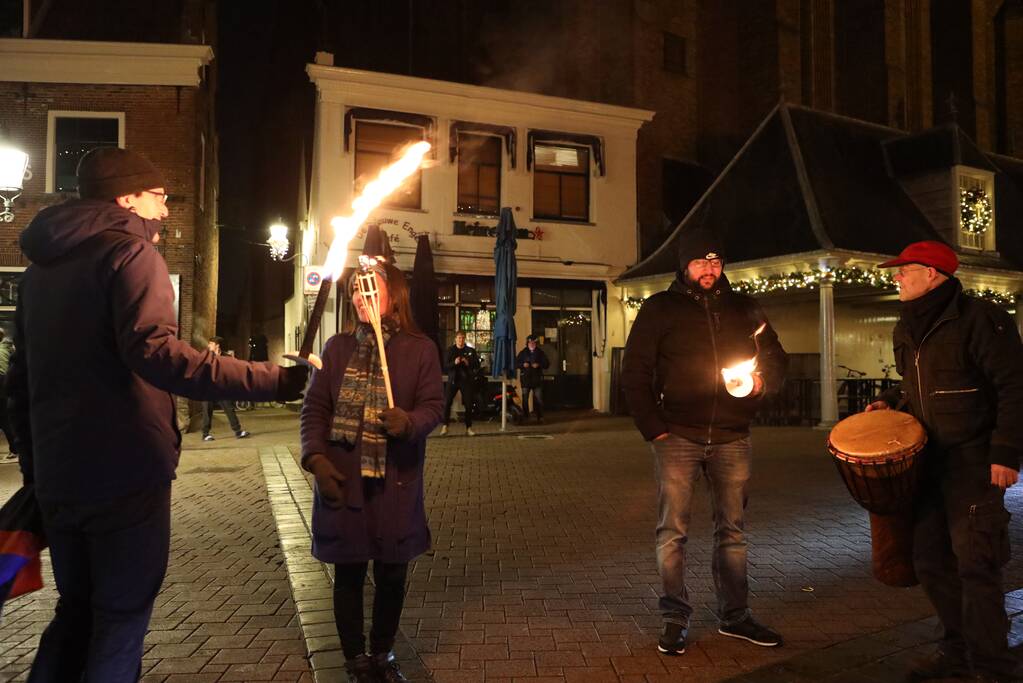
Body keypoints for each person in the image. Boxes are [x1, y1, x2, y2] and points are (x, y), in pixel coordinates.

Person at [7, 147, 309, 683]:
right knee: (120, 618)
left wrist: (37, 467)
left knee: (75, 612)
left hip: (60, 479)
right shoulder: (129, 254)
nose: (166, 210)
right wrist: (274, 379)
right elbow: (158, 353)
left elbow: (18, 386)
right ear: (127, 198)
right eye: (159, 197)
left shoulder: (38, 275)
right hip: (123, 473)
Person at [622, 233, 788, 657]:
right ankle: (675, 616)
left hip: (733, 436)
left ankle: (735, 615)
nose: (709, 269)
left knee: (732, 532)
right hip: (677, 435)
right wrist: (653, 427)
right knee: (672, 532)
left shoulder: (745, 307)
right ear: (684, 267)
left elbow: (774, 357)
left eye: (715, 260)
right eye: (700, 261)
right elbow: (635, 369)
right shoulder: (660, 308)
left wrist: (760, 384)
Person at [866, 241, 1023, 683]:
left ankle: (994, 668)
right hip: (928, 464)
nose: (896, 277)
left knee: (977, 566)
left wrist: (1006, 453)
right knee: (931, 562)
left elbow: (1014, 387)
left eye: (904, 270)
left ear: (933, 274)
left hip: (974, 461)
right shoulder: (906, 325)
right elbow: (918, 389)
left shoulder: (981, 319)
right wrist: (889, 401)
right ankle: (956, 654)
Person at [300, 260, 443, 683]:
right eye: (356, 293)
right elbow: (315, 409)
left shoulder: (420, 349)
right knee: (348, 573)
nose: (362, 299)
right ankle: (353, 658)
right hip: (345, 480)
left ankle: (381, 653)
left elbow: (433, 406)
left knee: (392, 574)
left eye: (370, 290)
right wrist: (317, 459)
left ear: (393, 294)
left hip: (394, 479)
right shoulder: (336, 348)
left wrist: (411, 422)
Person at [201, 336, 250, 440]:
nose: (208, 345)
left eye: (211, 343)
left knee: (229, 409)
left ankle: (238, 432)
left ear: (217, 345)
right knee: (207, 411)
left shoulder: (227, 357)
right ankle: (205, 434)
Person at [441, 330, 479, 436]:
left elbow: (477, 365)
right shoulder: (450, 350)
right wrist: (454, 362)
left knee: (468, 404)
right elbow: (445, 366)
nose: (461, 340)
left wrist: (468, 362)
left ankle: (468, 428)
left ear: (465, 339)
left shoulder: (470, 350)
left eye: (462, 338)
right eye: (459, 338)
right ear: (455, 339)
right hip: (453, 380)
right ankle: (445, 426)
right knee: (447, 402)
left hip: (465, 380)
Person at [515, 335, 549, 423]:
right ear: (527, 343)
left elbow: (546, 364)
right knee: (525, 398)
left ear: (536, 343)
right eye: (530, 342)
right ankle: (526, 416)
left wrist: (539, 365)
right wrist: (523, 365)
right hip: (526, 380)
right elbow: (516, 363)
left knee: (539, 399)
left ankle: (540, 416)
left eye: (533, 342)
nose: (532, 344)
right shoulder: (523, 353)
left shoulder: (540, 353)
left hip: (537, 379)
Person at [0, 329, 16, 460]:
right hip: (6, 383)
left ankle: (15, 448)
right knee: (6, 417)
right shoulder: (7, 349)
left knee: (4, 418)